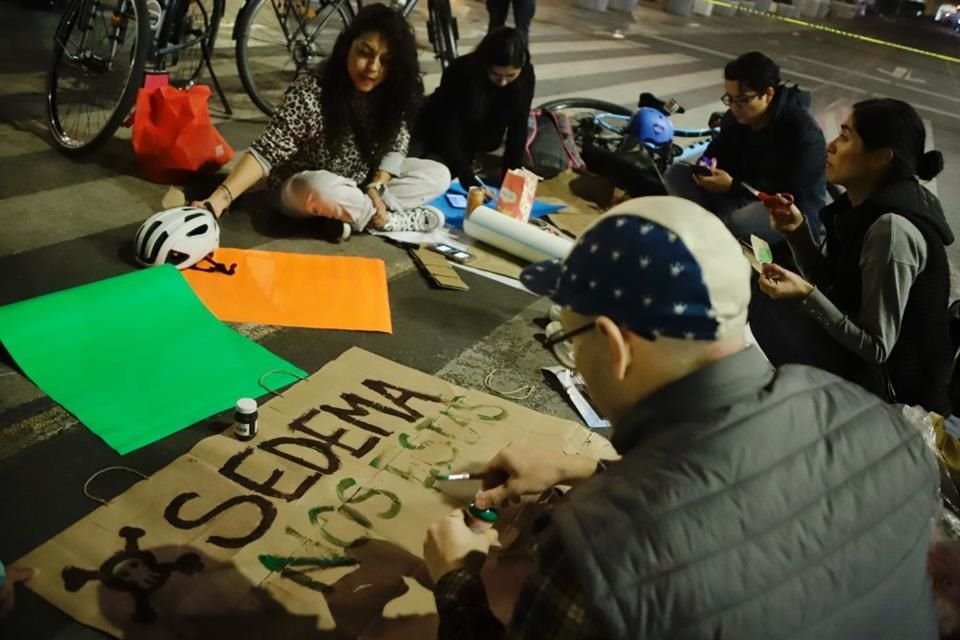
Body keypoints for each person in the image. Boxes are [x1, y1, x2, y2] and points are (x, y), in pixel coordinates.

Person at [423, 196, 940, 639]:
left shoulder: (597, 554)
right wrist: (582, 468)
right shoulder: (881, 425)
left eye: (568, 341)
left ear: (614, 345)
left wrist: (456, 577)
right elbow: (752, 502)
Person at [753, 98, 954, 415]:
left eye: (845, 136)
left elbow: (876, 347)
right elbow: (833, 286)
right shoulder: (861, 206)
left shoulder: (891, 230)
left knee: (767, 306)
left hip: (893, 394)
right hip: (865, 363)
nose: (831, 145)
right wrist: (797, 231)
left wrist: (807, 295)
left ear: (879, 158)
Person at [193, 4, 450, 234]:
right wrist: (219, 200)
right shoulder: (312, 90)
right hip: (300, 186)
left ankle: (357, 215)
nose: (373, 67)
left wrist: (377, 186)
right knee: (321, 189)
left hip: (360, 183)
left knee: (438, 174)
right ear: (347, 46)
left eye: (385, 61)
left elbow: (397, 144)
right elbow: (266, 152)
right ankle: (382, 221)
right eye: (365, 52)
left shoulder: (390, 91)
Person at [664, 51, 826, 242]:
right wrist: (706, 165)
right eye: (729, 98)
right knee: (676, 174)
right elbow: (714, 153)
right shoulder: (734, 119)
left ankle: (710, 236)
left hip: (785, 213)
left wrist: (733, 186)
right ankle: (714, 229)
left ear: (768, 94)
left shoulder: (802, 133)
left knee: (747, 217)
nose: (733, 107)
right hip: (737, 199)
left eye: (742, 100)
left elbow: (789, 196)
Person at [413, 27, 534, 197]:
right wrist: (467, 177)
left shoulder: (526, 74)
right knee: (437, 178)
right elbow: (449, 128)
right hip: (438, 132)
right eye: (496, 74)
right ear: (485, 63)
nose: (503, 82)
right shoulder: (461, 70)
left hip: (482, 138)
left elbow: (518, 127)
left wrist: (511, 181)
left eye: (511, 76)